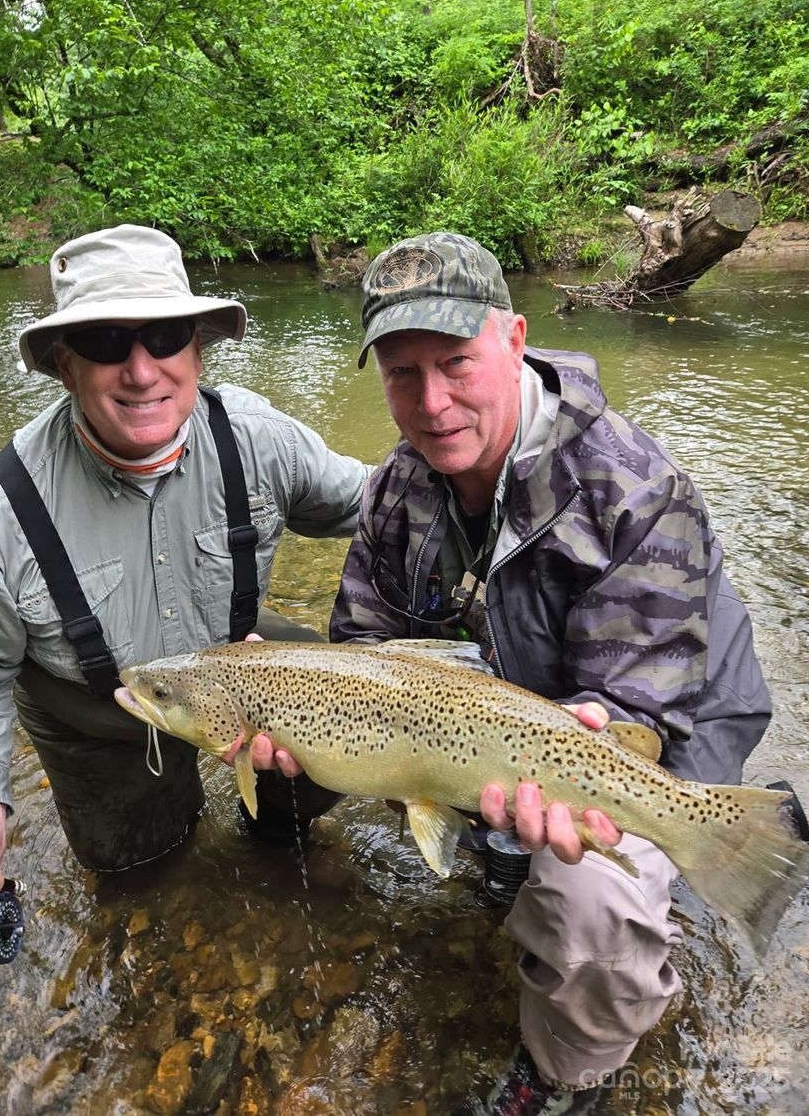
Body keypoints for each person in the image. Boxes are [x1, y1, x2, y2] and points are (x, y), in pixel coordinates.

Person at [330, 232, 772, 1112]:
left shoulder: (634, 490)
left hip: (665, 730)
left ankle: (568, 1071)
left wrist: (588, 787)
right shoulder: (396, 488)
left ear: (515, 337)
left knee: (587, 901)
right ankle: (513, 864)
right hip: (510, 724)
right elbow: (361, 650)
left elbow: (634, 715)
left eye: (456, 362)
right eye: (402, 373)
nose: (433, 400)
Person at [0, 223, 370, 914]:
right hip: (96, 721)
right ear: (64, 363)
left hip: (237, 671)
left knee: (334, 721)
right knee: (141, 872)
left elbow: (382, 503)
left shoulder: (260, 441)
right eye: (108, 343)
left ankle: (276, 835)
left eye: (165, 338)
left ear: (198, 350)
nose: (142, 371)